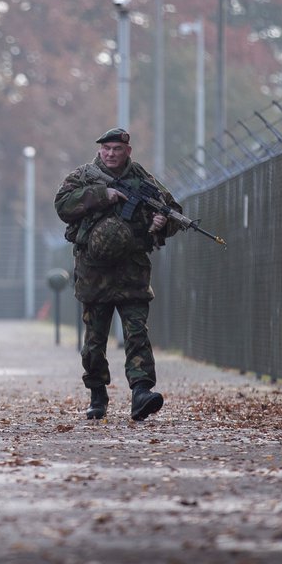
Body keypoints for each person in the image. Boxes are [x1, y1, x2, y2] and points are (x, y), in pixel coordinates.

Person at [53, 127, 181, 422]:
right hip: (93, 273)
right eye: (107, 149)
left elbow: (172, 210)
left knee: (137, 334)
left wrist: (162, 223)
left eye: (117, 149)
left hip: (132, 272)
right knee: (94, 342)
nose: (111, 154)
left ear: (128, 151)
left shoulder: (144, 180)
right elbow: (62, 205)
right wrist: (103, 194)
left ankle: (141, 392)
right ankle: (97, 393)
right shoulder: (83, 177)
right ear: (100, 150)